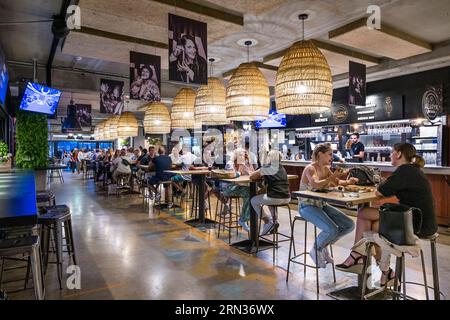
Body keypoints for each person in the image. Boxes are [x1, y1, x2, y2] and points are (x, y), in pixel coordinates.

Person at [336, 143, 437, 286]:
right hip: (423, 223)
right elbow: (389, 188)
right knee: (376, 226)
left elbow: (380, 192)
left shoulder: (404, 171)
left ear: (399, 154)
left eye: (392, 152)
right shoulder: (413, 170)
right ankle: (386, 272)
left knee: (363, 212)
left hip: (415, 224)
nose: (390, 155)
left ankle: (357, 255)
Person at [298, 144, 357, 268]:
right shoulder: (310, 168)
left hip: (321, 204)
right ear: (320, 154)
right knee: (331, 229)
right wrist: (334, 175)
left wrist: (348, 182)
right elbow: (317, 185)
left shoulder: (325, 168)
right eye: (330, 154)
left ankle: (323, 245)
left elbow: (336, 182)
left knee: (349, 225)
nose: (332, 157)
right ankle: (316, 249)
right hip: (306, 205)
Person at [250, 150, 291, 236]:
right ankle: (274, 222)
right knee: (269, 199)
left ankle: (267, 221)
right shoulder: (282, 168)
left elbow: (252, 176)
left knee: (253, 200)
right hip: (287, 197)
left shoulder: (268, 167)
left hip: (275, 197)